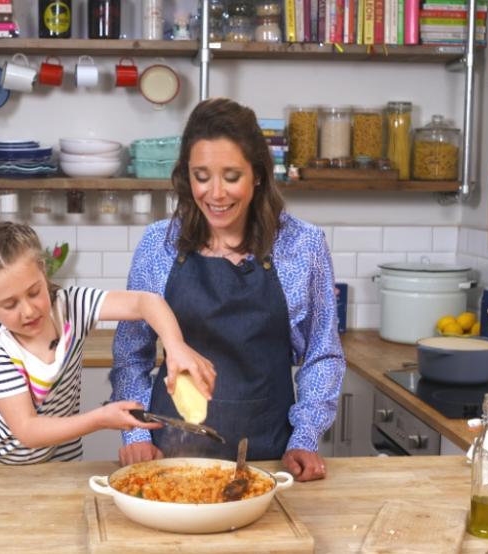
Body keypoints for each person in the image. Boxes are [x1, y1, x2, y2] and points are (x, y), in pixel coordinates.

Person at [110, 98, 346, 481]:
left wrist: (305, 437)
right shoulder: (158, 244)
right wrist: (136, 432)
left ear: (257, 175)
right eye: (202, 176)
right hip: (170, 456)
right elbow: (130, 355)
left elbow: (321, 354)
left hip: (269, 457)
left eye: (231, 176)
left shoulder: (303, 246)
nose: (215, 193)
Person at [0, 222, 216, 464]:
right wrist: (100, 419)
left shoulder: (71, 306)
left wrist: (176, 346)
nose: (29, 311)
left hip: (56, 458)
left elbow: (146, 302)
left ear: (43, 273)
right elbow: (28, 430)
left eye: (34, 292)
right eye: (10, 304)